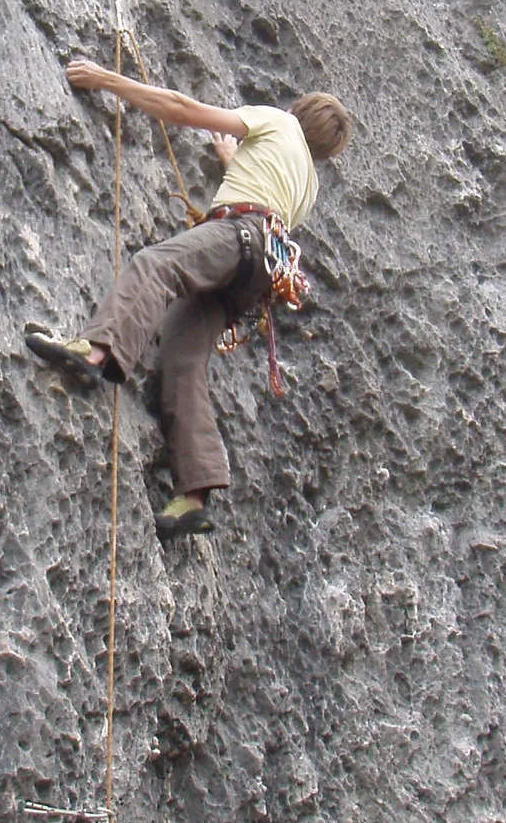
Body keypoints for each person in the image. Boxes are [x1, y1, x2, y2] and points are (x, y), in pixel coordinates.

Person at [26, 59, 353, 540]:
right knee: (181, 353)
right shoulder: (308, 184)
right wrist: (231, 159)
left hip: (239, 235)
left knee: (158, 266)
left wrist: (104, 79)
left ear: (298, 112)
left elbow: (181, 109)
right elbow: (265, 198)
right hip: (260, 269)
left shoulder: (278, 122)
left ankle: (95, 352)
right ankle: (193, 494)